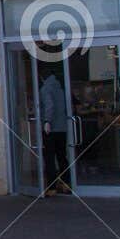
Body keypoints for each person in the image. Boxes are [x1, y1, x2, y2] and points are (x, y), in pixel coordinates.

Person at [38, 65, 71, 195]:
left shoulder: (46, 88)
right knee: (62, 156)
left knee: (50, 157)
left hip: (51, 128)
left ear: (42, 77)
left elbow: (49, 105)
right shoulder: (61, 87)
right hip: (62, 127)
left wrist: (47, 121)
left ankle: (51, 187)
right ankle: (66, 184)